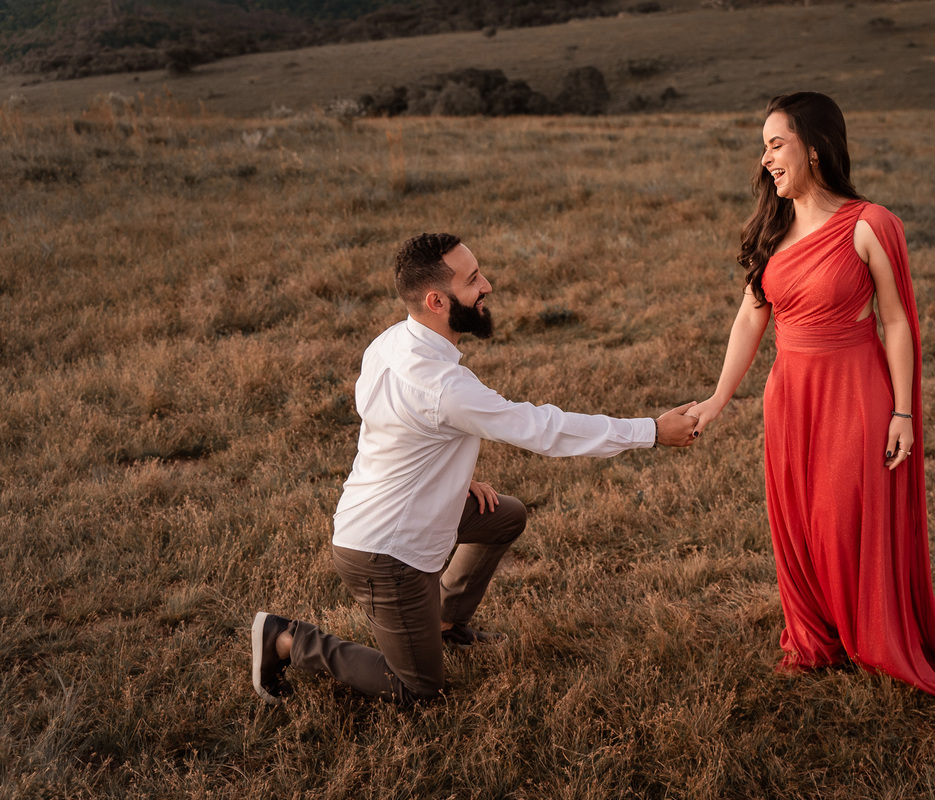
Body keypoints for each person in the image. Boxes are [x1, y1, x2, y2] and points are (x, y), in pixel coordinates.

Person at [252, 233, 698, 706]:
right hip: (385, 551)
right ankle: (285, 639)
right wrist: (650, 430)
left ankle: (444, 620)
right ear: (437, 300)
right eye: (473, 281)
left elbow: (395, 430)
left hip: (387, 512)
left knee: (504, 515)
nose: (486, 285)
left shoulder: (390, 342)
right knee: (418, 690)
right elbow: (544, 429)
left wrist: (456, 479)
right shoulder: (444, 387)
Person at [686, 92, 935, 708]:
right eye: (762, 146)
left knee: (843, 520)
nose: (764, 158)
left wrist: (903, 411)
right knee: (797, 523)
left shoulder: (871, 224)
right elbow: (749, 316)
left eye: (775, 143)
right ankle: (816, 638)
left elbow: (897, 323)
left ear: (814, 148)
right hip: (788, 396)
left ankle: (873, 634)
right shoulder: (772, 227)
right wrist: (718, 397)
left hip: (855, 394)